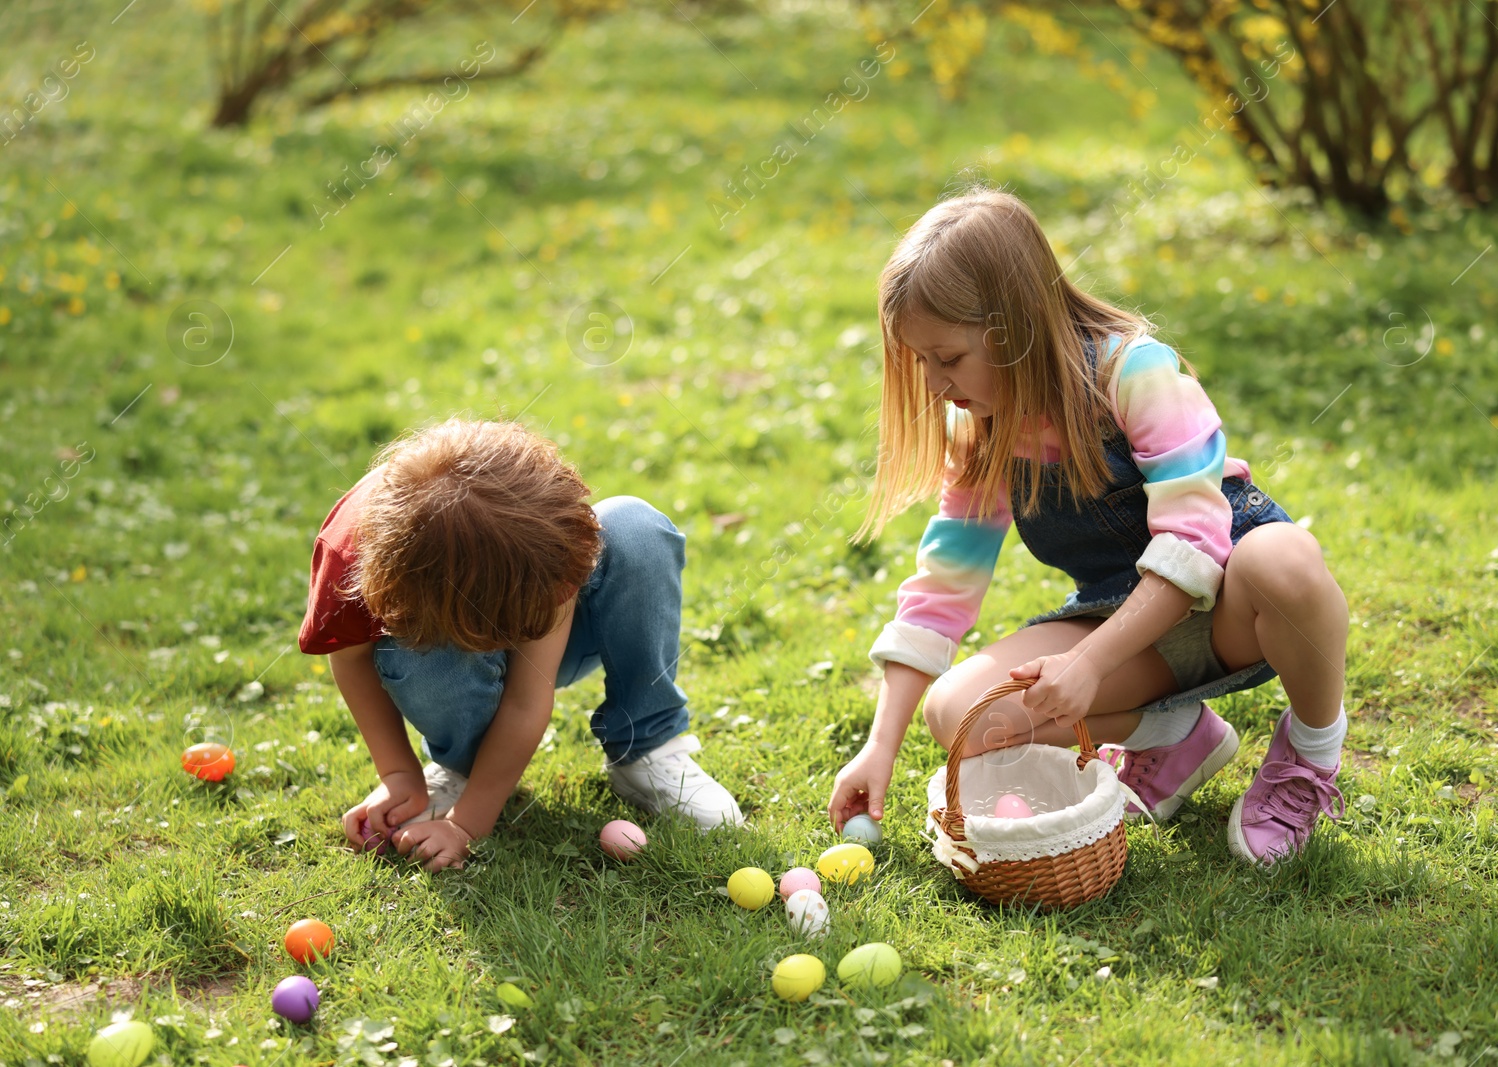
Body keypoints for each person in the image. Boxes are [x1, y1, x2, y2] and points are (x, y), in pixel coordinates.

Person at [827, 189, 1349, 865]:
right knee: (958, 712)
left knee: (1286, 560)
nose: (933, 385)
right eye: (921, 362)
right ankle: (1173, 738)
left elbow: (1193, 544)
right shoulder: (985, 433)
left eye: (948, 359)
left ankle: (1309, 755)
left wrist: (1087, 664)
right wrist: (880, 745)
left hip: (1232, 605)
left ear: (1012, 329)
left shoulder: (1135, 373)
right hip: (1127, 627)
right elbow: (942, 590)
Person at [299, 419, 743, 871]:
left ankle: (646, 748)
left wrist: (466, 825)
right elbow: (351, 660)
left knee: (633, 525)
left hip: (564, 641)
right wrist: (398, 774)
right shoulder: (348, 558)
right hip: (445, 655)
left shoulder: (544, 537)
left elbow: (527, 700)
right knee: (407, 652)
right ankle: (464, 765)